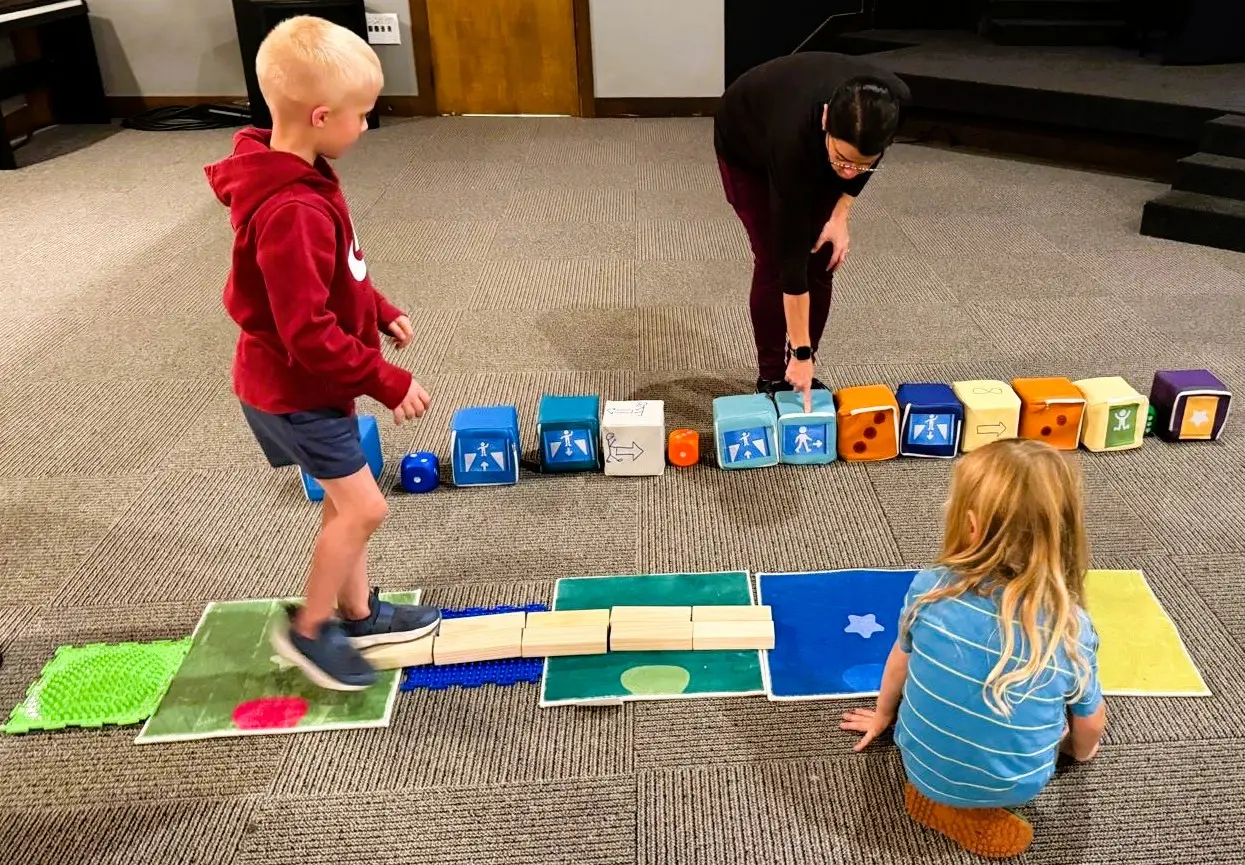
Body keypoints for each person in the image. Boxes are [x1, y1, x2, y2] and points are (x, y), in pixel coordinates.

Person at [205, 15, 441, 692]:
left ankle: (359, 612)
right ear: (319, 115)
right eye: (361, 115)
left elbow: (338, 275)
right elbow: (306, 330)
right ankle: (309, 630)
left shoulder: (299, 171)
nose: (366, 127)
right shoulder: (293, 208)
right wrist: (386, 381)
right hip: (295, 390)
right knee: (366, 507)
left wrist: (378, 307)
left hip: (299, 384)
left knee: (345, 501)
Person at [840, 439, 1107, 858]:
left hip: (917, 760)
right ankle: (966, 809)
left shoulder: (930, 587)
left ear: (969, 524)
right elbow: (1090, 727)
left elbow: (899, 662)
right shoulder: (1069, 628)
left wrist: (883, 715)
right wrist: (1079, 752)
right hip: (1020, 784)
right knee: (1064, 710)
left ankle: (944, 799)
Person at [714, 53, 910, 411]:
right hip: (747, 141)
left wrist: (841, 213)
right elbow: (791, 266)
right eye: (842, 159)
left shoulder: (892, 104)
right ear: (825, 120)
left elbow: (859, 160)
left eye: (863, 164)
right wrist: (801, 352)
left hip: (809, 142)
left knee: (822, 256)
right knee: (776, 260)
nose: (850, 172)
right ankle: (773, 374)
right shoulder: (792, 144)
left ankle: (799, 367)